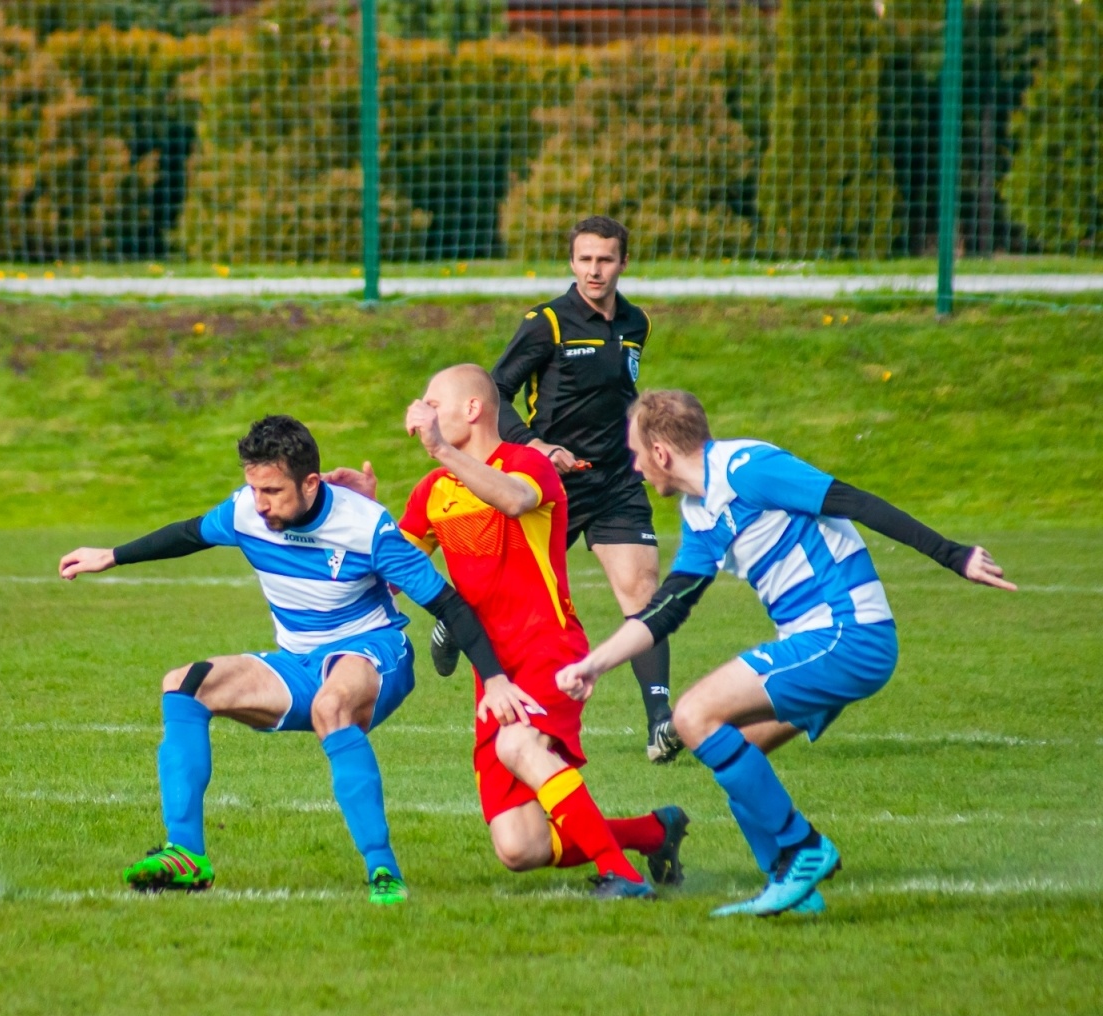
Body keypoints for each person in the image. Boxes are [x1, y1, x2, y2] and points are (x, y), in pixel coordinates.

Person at [556, 390, 1017, 916]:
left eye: (636, 453)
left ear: (661, 452)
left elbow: (854, 500)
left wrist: (953, 554)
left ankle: (803, 849)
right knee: (734, 751)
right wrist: (595, 664)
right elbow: (668, 609)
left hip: (847, 634)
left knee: (693, 715)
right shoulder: (700, 512)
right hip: (817, 642)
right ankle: (793, 889)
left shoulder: (748, 468)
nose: (634, 467)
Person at [59, 415, 537, 906]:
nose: (260, 503)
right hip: (299, 660)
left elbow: (448, 604)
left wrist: (495, 679)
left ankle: (383, 870)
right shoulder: (247, 510)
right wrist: (111, 556)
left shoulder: (366, 527)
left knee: (332, 706)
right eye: (254, 488)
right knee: (184, 683)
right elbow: (189, 533)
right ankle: (186, 855)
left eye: (273, 490)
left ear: (310, 483)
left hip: (374, 650)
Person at [325, 365, 689, 900]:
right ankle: (654, 832)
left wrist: (441, 451)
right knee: (519, 847)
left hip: (549, 649)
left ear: (472, 409)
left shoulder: (529, 465)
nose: (418, 415)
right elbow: (389, 580)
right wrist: (362, 512)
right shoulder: (432, 493)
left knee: (519, 743)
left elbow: (515, 500)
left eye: (431, 403)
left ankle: (623, 876)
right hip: (492, 671)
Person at [457, 215, 682, 764]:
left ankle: (661, 722)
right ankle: (455, 625)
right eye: (584, 259)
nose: (594, 270)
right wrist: (535, 445)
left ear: (623, 263)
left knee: (641, 592)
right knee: (511, 590)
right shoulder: (547, 323)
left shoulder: (636, 322)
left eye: (605, 259)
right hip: (551, 485)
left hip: (616, 481)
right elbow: (495, 394)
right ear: (572, 262)